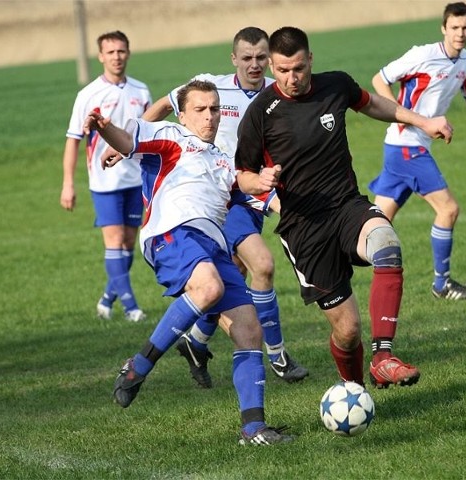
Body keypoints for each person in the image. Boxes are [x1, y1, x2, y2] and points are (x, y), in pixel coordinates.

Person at [236, 27, 454, 389]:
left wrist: (423, 121)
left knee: (387, 244)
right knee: (348, 330)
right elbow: (242, 172)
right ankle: (355, 390)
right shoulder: (261, 112)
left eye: (300, 68)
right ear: (272, 66)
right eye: (284, 70)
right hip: (303, 228)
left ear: (311, 61)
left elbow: (372, 103)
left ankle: (383, 357)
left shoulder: (335, 85)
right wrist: (258, 183)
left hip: (346, 206)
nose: (293, 78)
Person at [84, 79, 293, 445]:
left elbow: (245, 185)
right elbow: (129, 140)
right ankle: (140, 365)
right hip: (172, 233)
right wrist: (104, 128)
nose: (209, 116)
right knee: (208, 287)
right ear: (183, 114)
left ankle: (253, 429)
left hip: (212, 246)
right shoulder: (169, 136)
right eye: (200, 109)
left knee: (249, 330)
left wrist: (266, 183)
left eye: (214, 108)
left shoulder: (223, 160)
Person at [142, 26, 308, 388]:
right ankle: (278, 356)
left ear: (270, 59)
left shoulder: (277, 93)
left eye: (261, 58)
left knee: (232, 274)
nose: (254, 65)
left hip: (252, 195)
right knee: (262, 265)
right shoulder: (211, 88)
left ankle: (196, 341)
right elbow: (163, 106)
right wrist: (147, 141)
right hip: (221, 195)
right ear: (234, 59)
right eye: (246, 58)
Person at [369, 2, 466, 301]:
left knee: (374, 230)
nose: (460, 33)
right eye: (454, 27)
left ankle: (331, 263)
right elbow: (379, 79)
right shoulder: (423, 55)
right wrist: (404, 114)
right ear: (443, 28)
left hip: (400, 149)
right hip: (406, 146)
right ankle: (441, 284)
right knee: (448, 209)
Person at [60, 30, 151, 322]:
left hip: (136, 180)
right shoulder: (87, 95)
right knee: (114, 242)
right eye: (110, 52)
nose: (116, 57)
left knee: (127, 244)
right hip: (105, 181)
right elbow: (73, 139)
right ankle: (132, 308)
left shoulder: (141, 91)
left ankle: (106, 301)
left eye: (121, 51)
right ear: (101, 56)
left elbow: (147, 135)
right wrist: (68, 183)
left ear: (128, 53)